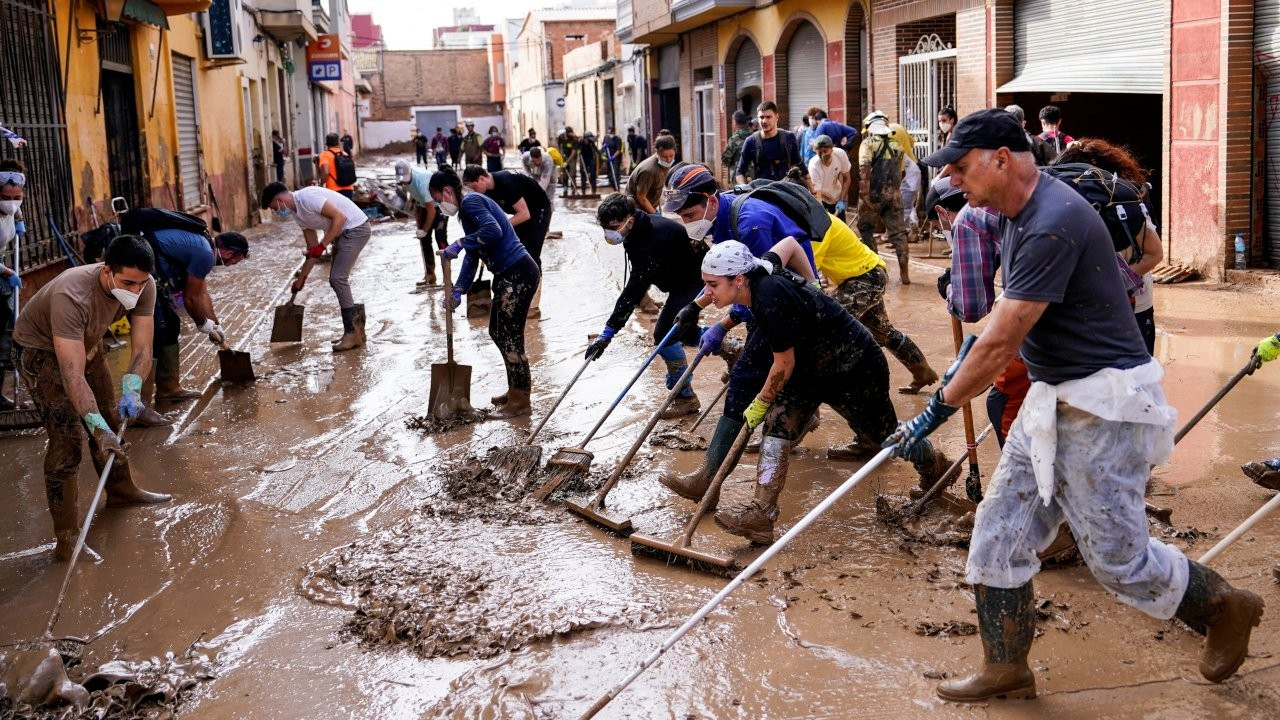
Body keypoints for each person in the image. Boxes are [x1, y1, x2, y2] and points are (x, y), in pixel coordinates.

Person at [892, 107, 1263, 702]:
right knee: (1000, 531)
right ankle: (1006, 665)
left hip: (1106, 403)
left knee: (1119, 560)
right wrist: (951, 383)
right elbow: (995, 328)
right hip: (1054, 394)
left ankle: (1224, 608)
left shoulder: (1051, 222)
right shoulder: (1013, 212)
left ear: (1002, 159)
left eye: (961, 167)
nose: (954, 180)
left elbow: (1003, 339)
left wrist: (935, 409)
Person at [695, 240, 947, 542]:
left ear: (738, 279)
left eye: (712, 285)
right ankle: (761, 515)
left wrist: (760, 401)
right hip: (811, 370)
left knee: (885, 435)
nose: (707, 294)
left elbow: (782, 364)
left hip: (853, 366)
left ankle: (935, 464)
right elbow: (786, 247)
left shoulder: (769, 295)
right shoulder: (754, 287)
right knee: (778, 423)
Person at [656, 164, 820, 501]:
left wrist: (722, 324)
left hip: (789, 301)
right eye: (682, 217)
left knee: (748, 379)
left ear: (711, 199)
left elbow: (753, 287)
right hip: (770, 302)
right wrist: (696, 307)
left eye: (690, 213)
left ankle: (709, 479)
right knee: (757, 380)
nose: (688, 223)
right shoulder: (720, 220)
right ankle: (712, 479)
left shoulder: (751, 223)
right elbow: (727, 275)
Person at [13, 234, 173, 561]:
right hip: (39, 352)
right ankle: (67, 537)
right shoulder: (71, 295)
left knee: (111, 419)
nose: (134, 292)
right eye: (127, 283)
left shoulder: (145, 285)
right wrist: (95, 427)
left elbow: (143, 348)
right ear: (106, 271)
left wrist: (132, 387)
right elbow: (71, 375)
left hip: (86, 342)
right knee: (69, 439)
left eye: (140, 284)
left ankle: (120, 490)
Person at [118, 210, 249, 425]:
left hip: (150, 270)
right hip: (138, 272)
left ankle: (169, 388)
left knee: (171, 324)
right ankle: (138, 409)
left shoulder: (204, 246)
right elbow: (190, 299)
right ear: (228, 253)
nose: (232, 266)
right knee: (156, 334)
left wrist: (216, 324)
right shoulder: (205, 253)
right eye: (236, 261)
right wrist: (203, 324)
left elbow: (201, 293)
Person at [429, 167, 540, 418]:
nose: (439, 206)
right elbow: (473, 254)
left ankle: (520, 401)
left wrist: (459, 243)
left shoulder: (471, 202)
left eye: (438, 200)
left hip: (518, 273)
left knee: (507, 335)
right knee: (499, 331)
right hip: (509, 273)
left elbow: (493, 231)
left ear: (447, 191)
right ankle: (516, 390)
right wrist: (459, 290)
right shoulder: (468, 210)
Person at [590, 193, 708, 418]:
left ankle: (685, 397)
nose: (610, 233)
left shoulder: (653, 237)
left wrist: (609, 330)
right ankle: (730, 347)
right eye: (606, 228)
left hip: (693, 281)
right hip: (678, 281)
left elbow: (634, 288)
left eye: (614, 227)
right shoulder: (636, 232)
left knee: (665, 336)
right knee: (686, 332)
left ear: (630, 220)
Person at [1053, 139, 1163, 354]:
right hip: (1085, 308)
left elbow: (1155, 254)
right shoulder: (1064, 205)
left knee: (1134, 377)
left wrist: (1110, 286)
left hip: (1131, 303)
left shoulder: (1124, 202)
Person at [260, 181, 371, 352]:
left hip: (356, 229)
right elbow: (313, 251)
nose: (276, 211)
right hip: (343, 233)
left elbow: (339, 218)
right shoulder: (299, 216)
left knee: (338, 279)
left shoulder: (307, 197)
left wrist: (323, 244)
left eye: (274, 207)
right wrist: (301, 278)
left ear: (280, 199)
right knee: (337, 279)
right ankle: (357, 332)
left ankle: (352, 333)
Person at [463, 165, 552, 318]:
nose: (475, 192)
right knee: (514, 252)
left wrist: (500, 227)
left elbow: (524, 214)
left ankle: (533, 307)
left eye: (474, 187)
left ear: (482, 178)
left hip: (538, 211)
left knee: (531, 255)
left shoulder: (506, 182)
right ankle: (517, 297)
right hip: (521, 214)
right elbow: (492, 220)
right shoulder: (486, 192)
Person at [857, 111, 912, 284]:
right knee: (899, 234)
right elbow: (901, 172)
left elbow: (864, 169)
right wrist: (893, 190)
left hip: (873, 195)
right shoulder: (898, 146)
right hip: (894, 195)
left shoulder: (868, 144)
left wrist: (864, 194)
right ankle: (904, 273)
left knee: (866, 228)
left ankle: (876, 270)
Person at [395, 160, 447, 289]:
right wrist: (419, 224)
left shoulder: (422, 182)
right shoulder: (404, 177)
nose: (403, 182)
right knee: (424, 241)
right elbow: (415, 197)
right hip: (424, 205)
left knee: (441, 240)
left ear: (410, 172)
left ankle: (447, 278)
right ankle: (430, 275)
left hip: (439, 206)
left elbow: (432, 210)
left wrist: (424, 229)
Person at [0, 159, 26, 408]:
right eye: (6, 197)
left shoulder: (12, 208)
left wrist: (20, 218)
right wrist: (7, 271)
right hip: (1, 271)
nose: (12, 201)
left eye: (17, 196)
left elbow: (16, 210)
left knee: (7, 327)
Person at [736, 101, 805, 184]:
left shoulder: (788, 137)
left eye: (768, 117)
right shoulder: (750, 141)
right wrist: (744, 187)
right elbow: (740, 172)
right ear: (757, 118)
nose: (764, 121)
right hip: (761, 191)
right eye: (761, 117)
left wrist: (813, 191)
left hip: (786, 190)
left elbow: (800, 165)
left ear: (776, 117)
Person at [627, 134, 676, 214]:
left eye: (671, 156)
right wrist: (654, 213)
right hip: (637, 210)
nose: (668, 160)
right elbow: (641, 197)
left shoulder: (664, 164)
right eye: (664, 157)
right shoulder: (649, 171)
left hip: (649, 206)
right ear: (657, 153)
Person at [807, 135, 851, 220]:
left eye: (825, 151)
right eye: (819, 152)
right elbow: (817, 193)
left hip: (837, 197)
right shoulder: (814, 165)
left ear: (832, 149)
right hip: (821, 199)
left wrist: (841, 199)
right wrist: (821, 211)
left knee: (840, 228)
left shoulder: (840, 155)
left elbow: (846, 178)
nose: (823, 155)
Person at [317, 132, 356, 200]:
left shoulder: (325, 155)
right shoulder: (345, 154)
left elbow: (325, 172)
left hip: (334, 191)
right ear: (338, 143)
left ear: (327, 144)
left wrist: (321, 183)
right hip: (349, 189)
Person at [721, 111, 752, 178]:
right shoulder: (754, 137)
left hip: (738, 176)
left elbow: (725, 160)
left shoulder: (734, 139)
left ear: (734, 122)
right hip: (754, 176)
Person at [556, 127, 580, 193]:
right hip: (564, 155)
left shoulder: (575, 139)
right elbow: (559, 146)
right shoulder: (561, 137)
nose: (570, 136)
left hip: (572, 157)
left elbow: (574, 151)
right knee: (564, 173)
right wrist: (560, 157)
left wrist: (567, 161)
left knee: (572, 173)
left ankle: (573, 188)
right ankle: (565, 187)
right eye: (568, 134)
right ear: (566, 134)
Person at [601, 127, 623, 191]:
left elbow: (619, 150)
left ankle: (617, 188)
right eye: (609, 133)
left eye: (611, 132)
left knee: (615, 174)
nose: (610, 134)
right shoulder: (606, 138)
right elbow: (603, 147)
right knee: (610, 175)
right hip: (608, 159)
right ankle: (614, 187)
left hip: (615, 159)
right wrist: (604, 148)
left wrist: (613, 157)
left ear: (614, 132)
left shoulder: (618, 139)